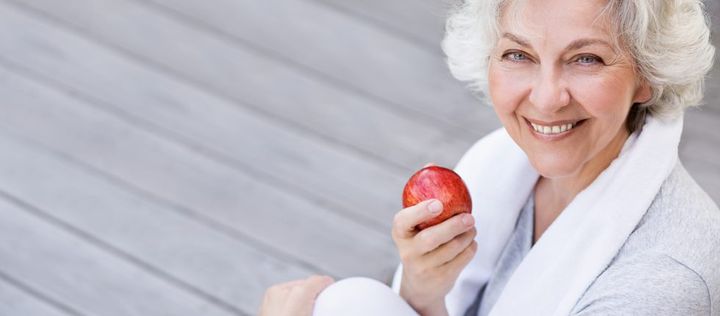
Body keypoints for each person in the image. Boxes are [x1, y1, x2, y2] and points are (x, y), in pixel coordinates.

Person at [258, 0, 719, 315]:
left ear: (646, 75)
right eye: (518, 54)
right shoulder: (497, 168)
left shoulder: (661, 281)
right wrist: (424, 290)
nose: (546, 98)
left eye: (586, 60)